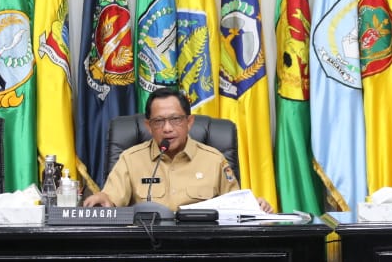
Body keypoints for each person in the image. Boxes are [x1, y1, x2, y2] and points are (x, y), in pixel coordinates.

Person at [84, 88, 273, 212]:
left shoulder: (214, 160)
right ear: (148, 126)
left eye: (175, 119)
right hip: (148, 249)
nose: (167, 128)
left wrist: (255, 207)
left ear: (189, 122)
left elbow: (236, 207)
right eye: (159, 121)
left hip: (201, 250)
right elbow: (110, 198)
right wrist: (102, 199)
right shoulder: (131, 159)